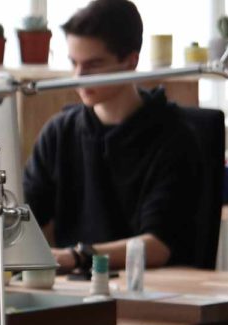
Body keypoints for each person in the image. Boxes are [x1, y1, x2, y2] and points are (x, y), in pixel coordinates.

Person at [23, 0, 201, 274]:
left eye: (93, 65)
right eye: (74, 63)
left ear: (130, 60)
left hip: (151, 291)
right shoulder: (59, 133)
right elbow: (24, 217)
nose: (79, 77)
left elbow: (158, 245)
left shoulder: (175, 138)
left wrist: (78, 256)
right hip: (73, 292)